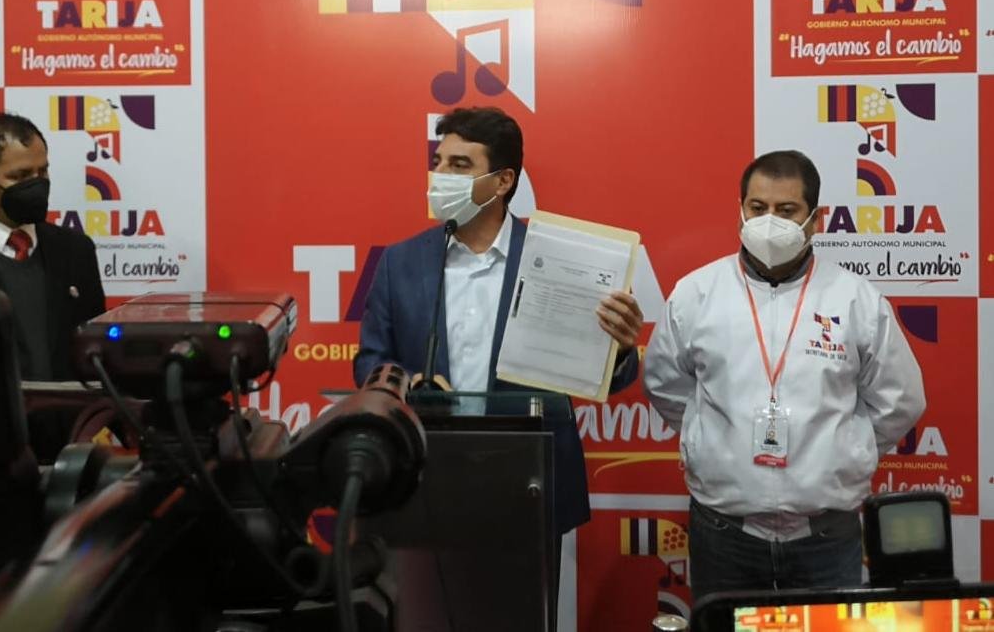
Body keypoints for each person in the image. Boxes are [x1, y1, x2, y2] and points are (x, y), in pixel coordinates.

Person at [643, 150, 925, 599]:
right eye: (758, 208)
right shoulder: (696, 294)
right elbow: (665, 384)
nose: (769, 221)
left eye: (787, 210)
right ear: (740, 210)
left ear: (815, 220)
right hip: (724, 532)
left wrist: (843, 451)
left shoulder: (855, 300)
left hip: (826, 535)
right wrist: (707, 439)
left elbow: (900, 400)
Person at [355, 106, 644, 536]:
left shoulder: (561, 260)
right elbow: (371, 360)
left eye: (460, 165)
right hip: (424, 474)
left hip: (528, 480)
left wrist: (618, 349)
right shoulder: (400, 263)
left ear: (503, 181)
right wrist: (406, 385)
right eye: (438, 162)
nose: (440, 176)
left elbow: (610, 379)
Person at [0, 112, 105, 381]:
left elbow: (96, 356)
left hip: (67, 408)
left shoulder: (76, 251)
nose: (37, 184)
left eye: (43, 171)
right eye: (21, 176)